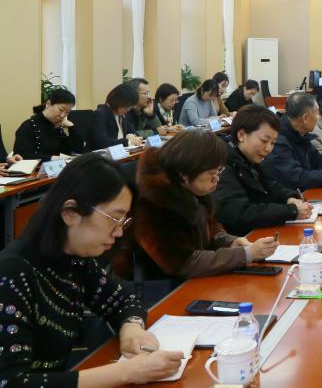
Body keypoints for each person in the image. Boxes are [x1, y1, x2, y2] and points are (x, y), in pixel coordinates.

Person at [0, 153, 184, 385]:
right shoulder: (12, 273)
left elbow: (123, 300)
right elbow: (12, 382)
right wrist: (127, 372)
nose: (119, 232)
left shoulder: (75, 257)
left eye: (123, 221)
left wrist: (132, 329)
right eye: (114, 219)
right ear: (70, 213)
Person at [132, 129, 278, 278]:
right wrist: (246, 254)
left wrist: (231, 243)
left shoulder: (192, 190)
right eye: (211, 173)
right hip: (170, 287)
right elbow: (184, 263)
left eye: (218, 171)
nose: (217, 179)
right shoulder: (152, 205)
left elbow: (211, 228)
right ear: (184, 172)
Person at [213, 105, 314, 235]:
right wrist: (291, 211)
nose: (268, 149)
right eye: (264, 141)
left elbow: (271, 186)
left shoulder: (251, 157)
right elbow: (240, 213)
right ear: (241, 135)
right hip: (243, 239)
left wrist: (289, 198)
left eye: (272, 143)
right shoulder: (221, 165)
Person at [263, 93, 322, 191]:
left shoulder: (301, 134)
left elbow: (319, 162)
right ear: (305, 118)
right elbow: (299, 179)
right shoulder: (279, 142)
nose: (319, 117)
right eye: (317, 113)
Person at [13, 87, 86, 159]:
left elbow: (77, 150)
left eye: (67, 112)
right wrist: (52, 158)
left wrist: (71, 127)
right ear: (48, 104)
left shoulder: (57, 127)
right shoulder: (28, 126)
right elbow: (22, 155)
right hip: (36, 167)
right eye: (61, 109)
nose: (63, 115)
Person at [92, 83, 143, 150]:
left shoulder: (121, 114)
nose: (129, 109)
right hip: (100, 155)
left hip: (121, 153)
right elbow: (103, 142)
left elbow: (131, 130)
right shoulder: (100, 114)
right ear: (118, 101)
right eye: (128, 106)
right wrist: (128, 142)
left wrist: (131, 136)